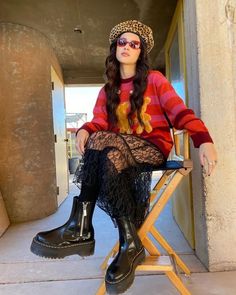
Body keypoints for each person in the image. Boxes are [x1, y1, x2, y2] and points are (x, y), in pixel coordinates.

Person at [31, 20, 217, 294]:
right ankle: (130, 243)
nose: (127, 47)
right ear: (114, 48)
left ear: (141, 51)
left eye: (134, 43)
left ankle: (80, 226)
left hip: (151, 148)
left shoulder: (155, 80)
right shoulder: (107, 90)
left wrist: (204, 140)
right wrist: (84, 129)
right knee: (107, 154)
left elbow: (179, 112)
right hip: (119, 152)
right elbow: (98, 122)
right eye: (122, 42)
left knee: (103, 141)